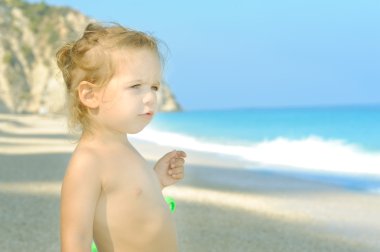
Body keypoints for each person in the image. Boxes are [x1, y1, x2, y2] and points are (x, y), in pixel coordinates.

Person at [56, 22, 187, 252]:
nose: (150, 98)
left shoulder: (123, 145)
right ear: (90, 95)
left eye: (154, 87)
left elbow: (126, 202)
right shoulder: (88, 162)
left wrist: (157, 181)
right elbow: (75, 239)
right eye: (136, 86)